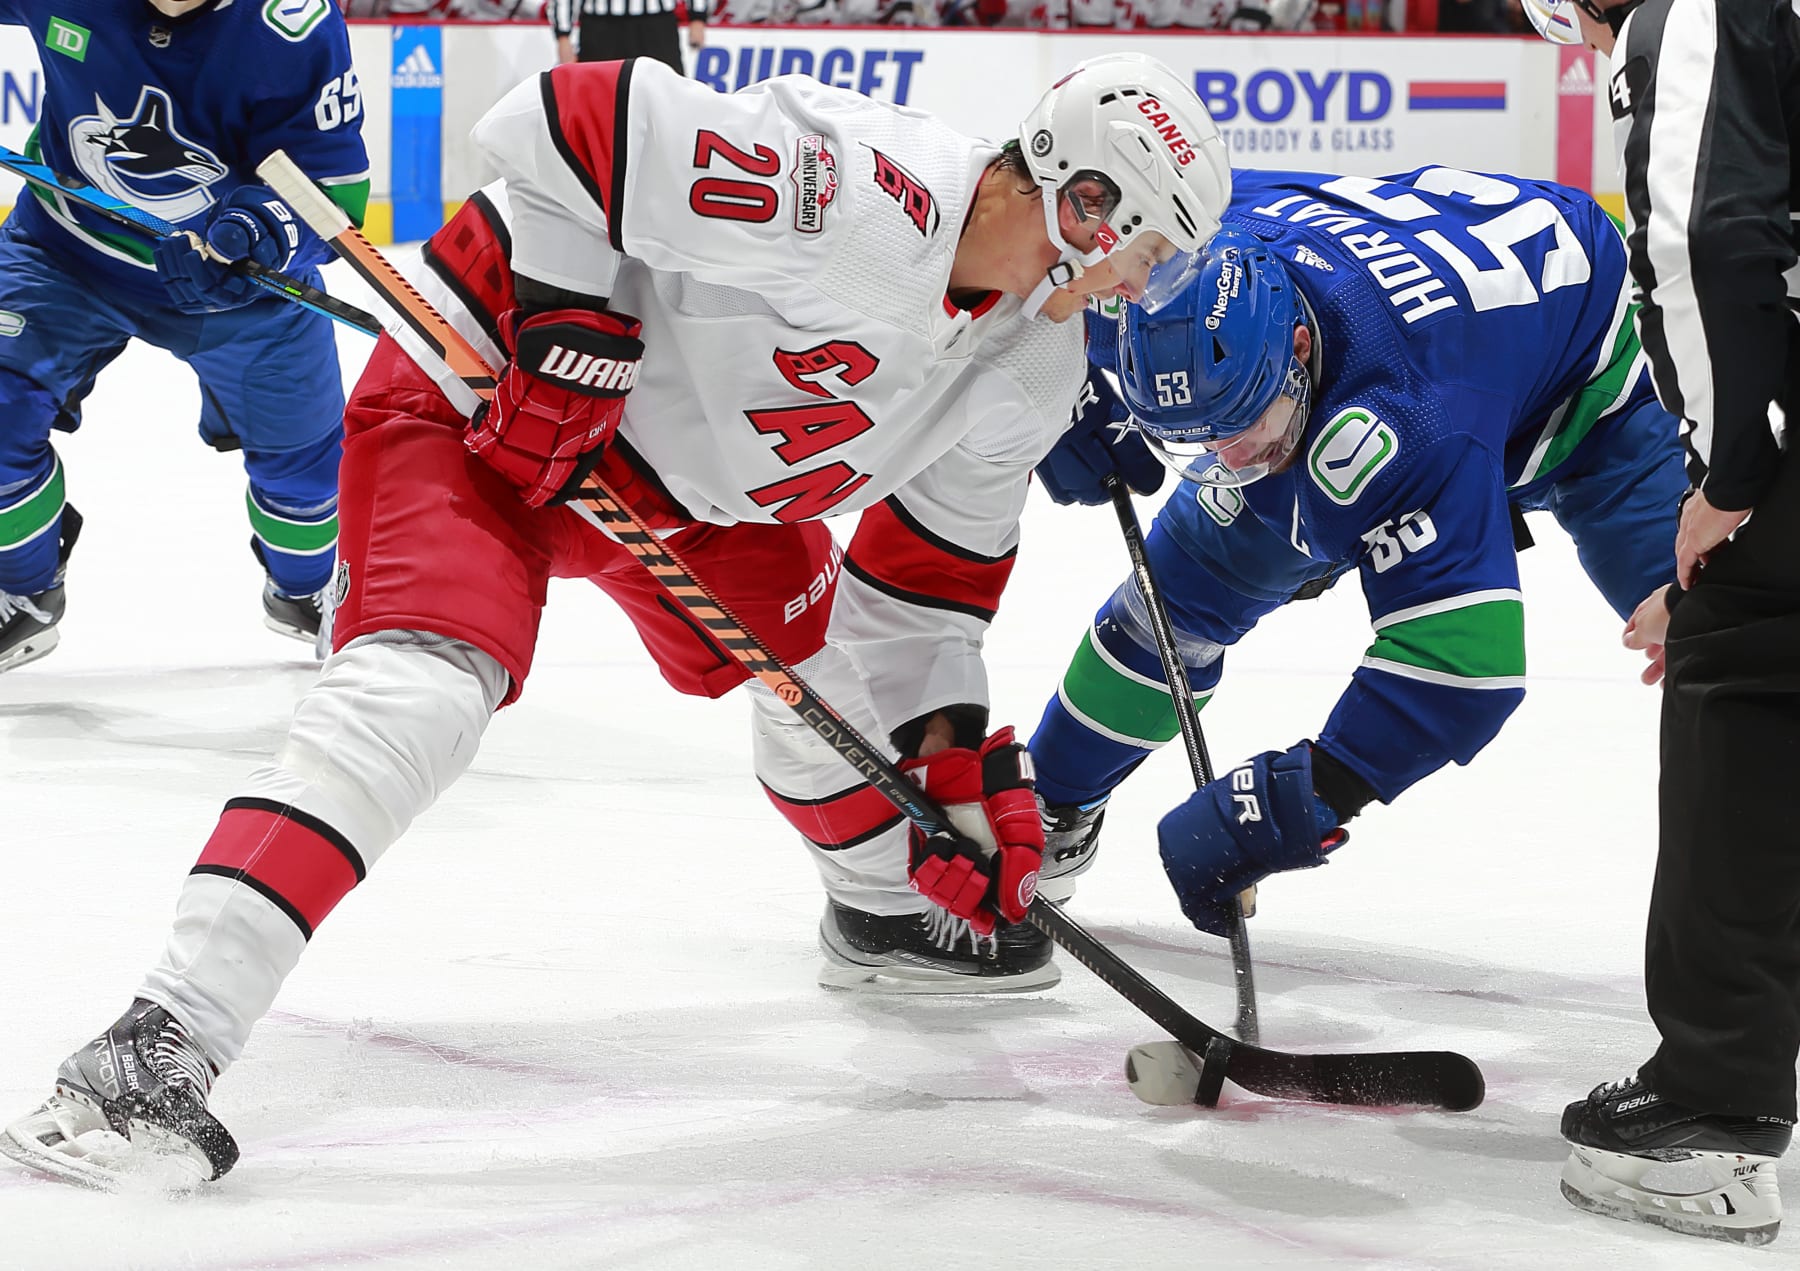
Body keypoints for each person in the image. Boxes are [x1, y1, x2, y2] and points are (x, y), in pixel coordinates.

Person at [0, 51, 1230, 1187]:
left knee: (833, 683)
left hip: (699, 500)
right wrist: (571, 323)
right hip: (484, 404)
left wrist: (952, 770)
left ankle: (882, 909)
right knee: (422, 693)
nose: (1145, 287)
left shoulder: (1033, 366)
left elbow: (925, 596)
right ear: (1084, 204)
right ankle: (154, 1042)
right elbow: (564, 124)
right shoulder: (864, 192)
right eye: (1151, 252)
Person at [1025, 166, 1684, 931]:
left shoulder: (1406, 416)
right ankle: (1052, 809)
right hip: (1434, 333)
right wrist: (1057, 376)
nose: (1230, 458)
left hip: (1588, 399)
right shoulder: (1177, 272)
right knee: (1169, 606)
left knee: (1724, 635)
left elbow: (1462, 672)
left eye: (1244, 424)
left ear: (1298, 344)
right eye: (1199, 436)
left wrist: (1289, 801)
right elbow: (1021, 265)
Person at [1522, 0, 1800, 1245]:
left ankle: (1714, 1109)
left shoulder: (1699, 12)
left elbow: (1710, 238)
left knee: (1744, 679)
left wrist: (1729, 482)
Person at [0, 0, 370, 672]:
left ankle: (306, 587)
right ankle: (20, 590)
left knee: (308, 481)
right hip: (64, 252)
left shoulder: (293, 23)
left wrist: (257, 233)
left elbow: (332, 188)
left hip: (240, 287)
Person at [552, 0, 703, 75]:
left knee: (667, 93)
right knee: (598, 96)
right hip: (601, 27)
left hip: (657, 24)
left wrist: (697, 16)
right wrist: (563, 35)